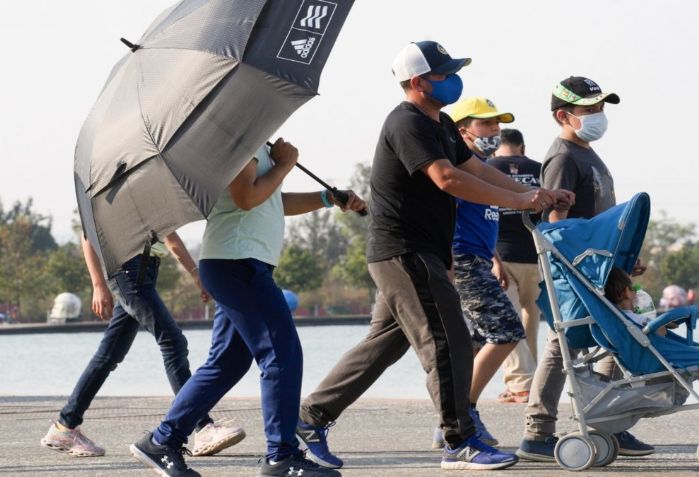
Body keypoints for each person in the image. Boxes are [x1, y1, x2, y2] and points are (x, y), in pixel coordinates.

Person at [296, 41, 574, 472]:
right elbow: (448, 179)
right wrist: (521, 202)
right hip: (404, 250)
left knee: (383, 346)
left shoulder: (441, 122)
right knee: (447, 341)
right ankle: (459, 440)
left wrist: (536, 194)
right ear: (418, 82)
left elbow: (477, 170)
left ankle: (309, 419)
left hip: (419, 252)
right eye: (443, 74)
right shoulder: (407, 122)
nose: (453, 80)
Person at [129, 139, 366, 477]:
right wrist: (286, 164)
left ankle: (162, 441)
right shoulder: (241, 142)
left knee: (227, 362)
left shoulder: (260, 145)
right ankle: (281, 457)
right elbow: (246, 198)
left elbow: (270, 201)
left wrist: (327, 198)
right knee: (282, 355)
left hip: (238, 263)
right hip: (237, 263)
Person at [518, 75, 657, 461]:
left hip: (602, 269)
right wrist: (568, 270)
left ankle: (608, 421)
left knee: (615, 338)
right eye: (589, 110)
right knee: (561, 347)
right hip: (576, 272)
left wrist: (621, 260)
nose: (598, 116)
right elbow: (555, 222)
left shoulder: (587, 153)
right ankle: (538, 431)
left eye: (600, 109)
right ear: (564, 115)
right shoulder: (563, 156)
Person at [41, 233, 245, 458]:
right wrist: (98, 285)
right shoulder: (106, 196)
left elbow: (170, 236)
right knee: (173, 343)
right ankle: (203, 427)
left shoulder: (149, 199)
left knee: (109, 354)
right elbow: (88, 234)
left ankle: (65, 426)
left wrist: (196, 275)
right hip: (128, 272)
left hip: (143, 271)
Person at [427, 97, 524, 448]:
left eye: (497, 124)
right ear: (461, 128)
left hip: (480, 259)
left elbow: (483, 221)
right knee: (506, 331)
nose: (494, 130)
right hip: (462, 259)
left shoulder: (481, 167)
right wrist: (450, 263)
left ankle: (449, 418)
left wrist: (496, 259)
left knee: (478, 340)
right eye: (486, 124)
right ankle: (462, 413)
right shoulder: (457, 167)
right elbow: (446, 215)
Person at [489, 128, 543, 404]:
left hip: (501, 257)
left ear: (497, 147)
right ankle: (530, 382)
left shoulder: (487, 168)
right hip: (536, 256)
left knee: (508, 322)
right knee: (530, 321)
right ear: (522, 147)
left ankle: (521, 383)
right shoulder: (540, 169)